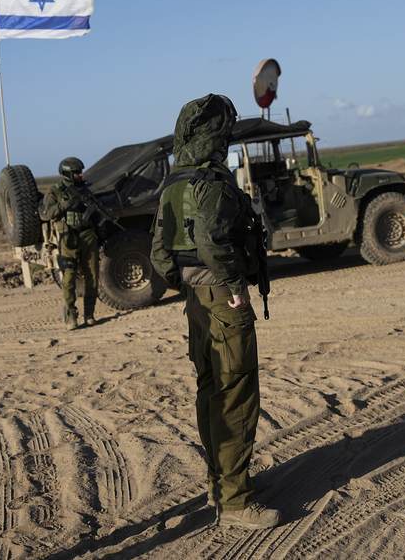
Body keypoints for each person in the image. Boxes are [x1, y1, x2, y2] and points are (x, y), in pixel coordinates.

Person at [151, 94, 280, 530]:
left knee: (210, 392)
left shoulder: (173, 184)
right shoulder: (213, 183)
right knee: (236, 396)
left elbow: (160, 254)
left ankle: (220, 486)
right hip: (224, 300)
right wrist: (233, 285)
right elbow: (211, 241)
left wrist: (188, 284)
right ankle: (237, 502)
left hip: (196, 302)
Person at [39, 157, 100, 329]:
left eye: (81, 172)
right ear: (68, 174)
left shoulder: (85, 189)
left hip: (87, 235)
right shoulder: (55, 191)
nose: (81, 175)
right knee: (69, 277)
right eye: (77, 173)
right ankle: (71, 317)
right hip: (68, 238)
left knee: (92, 276)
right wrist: (65, 204)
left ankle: (89, 314)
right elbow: (47, 213)